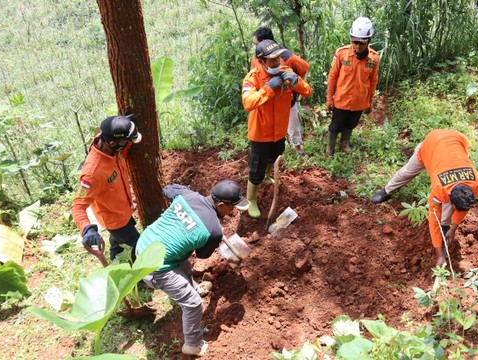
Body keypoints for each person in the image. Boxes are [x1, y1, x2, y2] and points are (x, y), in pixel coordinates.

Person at [137, 180, 250, 357]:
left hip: (146, 243)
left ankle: (194, 288)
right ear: (221, 205)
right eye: (232, 207)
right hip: (155, 267)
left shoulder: (188, 195)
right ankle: (193, 345)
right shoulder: (213, 230)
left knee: (185, 265)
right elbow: (203, 255)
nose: (233, 211)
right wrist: (213, 236)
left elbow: (168, 189)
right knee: (193, 304)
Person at [371, 129, 478, 267]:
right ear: (449, 197)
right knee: (407, 172)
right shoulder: (439, 189)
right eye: (455, 207)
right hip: (430, 145)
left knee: (447, 218)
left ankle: (446, 226)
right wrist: (440, 255)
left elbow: (463, 208)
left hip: (456, 141)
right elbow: (433, 221)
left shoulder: (477, 184)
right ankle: (387, 190)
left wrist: (453, 227)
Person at [242, 39, 312, 218]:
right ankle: (251, 200)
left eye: (278, 58)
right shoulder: (253, 77)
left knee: (273, 158)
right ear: (262, 61)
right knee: (256, 168)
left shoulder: (285, 71)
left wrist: (296, 81)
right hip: (260, 133)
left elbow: (308, 92)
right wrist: (268, 88)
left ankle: (267, 175)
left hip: (279, 132)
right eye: (272, 60)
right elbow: (248, 103)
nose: (276, 63)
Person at [71, 115, 142, 260]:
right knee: (139, 248)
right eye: (125, 141)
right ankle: (143, 280)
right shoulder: (93, 173)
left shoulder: (109, 142)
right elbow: (77, 206)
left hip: (124, 208)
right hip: (115, 220)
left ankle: (116, 258)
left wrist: (124, 125)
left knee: (117, 241)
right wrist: (86, 229)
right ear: (112, 143)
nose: (127, 143)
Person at [251, 26, 311, 158]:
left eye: (257, 44)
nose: (276, 61)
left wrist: (295, 81)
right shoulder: (257, 57)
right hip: (266, 101)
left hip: (286, 100)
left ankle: (297, 147)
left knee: (292, 124)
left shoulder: (285, 55)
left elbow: (304, 67)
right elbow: (252, 76)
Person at [325, 16, 380, 156]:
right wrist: (329, 99)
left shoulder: (374, 58)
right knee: (335, 126)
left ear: (369, 40)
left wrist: (369, 101)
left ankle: (345, 144)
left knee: (351, 124)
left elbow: (373, 81)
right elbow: (332, 77)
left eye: (361, 43)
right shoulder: (341, 54)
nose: (357, 46)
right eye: (354, 42)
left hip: (359, 101)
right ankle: (329, 148)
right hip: (341, 100)